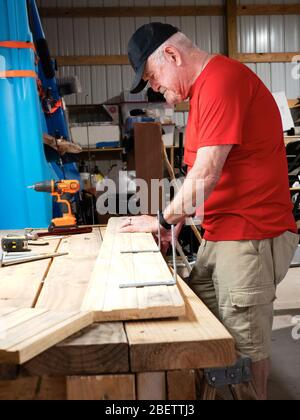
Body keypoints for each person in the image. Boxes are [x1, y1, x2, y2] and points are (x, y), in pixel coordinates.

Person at [120, 22, 299, 400]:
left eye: (152, 77)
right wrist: (175, 227)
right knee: (200, 325)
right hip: (223, 235)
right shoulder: (204, 91)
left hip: (249, 235)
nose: (154, 87)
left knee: (243, 355)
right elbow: (194, 176)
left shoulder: (222, 81)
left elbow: (206, 174)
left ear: (172, 55)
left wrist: (162, 220)